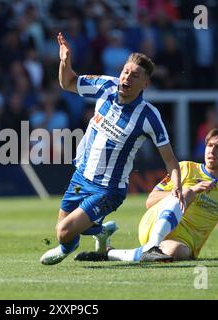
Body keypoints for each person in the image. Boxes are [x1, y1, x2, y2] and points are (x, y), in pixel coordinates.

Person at [40, 32, 185, 265]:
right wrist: (65, 61)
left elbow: (170, 159)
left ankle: (79, 239)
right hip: (81, 176)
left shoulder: (149, 116)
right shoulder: (105, 86)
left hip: (108, 188)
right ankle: (90, 236)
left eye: (135, 75)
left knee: (64, 230)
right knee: (64, 231)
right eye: (125, 71)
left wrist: (176, 186)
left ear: (145, 84)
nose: (126, 77)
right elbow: (67, 83)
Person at [75, 128, 218, 262]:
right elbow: (150, 201)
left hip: (184, 243)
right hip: (155, 225)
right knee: (186, 190)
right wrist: (184, 192)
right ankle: (153, 243)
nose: (211, 150)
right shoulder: (185, 168)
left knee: (173, 254)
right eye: (209, 145)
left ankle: (108, 253)